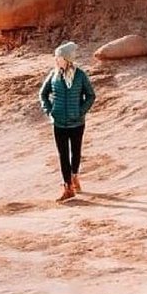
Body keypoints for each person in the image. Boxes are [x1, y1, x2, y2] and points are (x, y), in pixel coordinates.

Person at [38, 40, 96, 202]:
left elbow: (90, 96)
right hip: (59, 123)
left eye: (58, 57)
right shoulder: (53, 75)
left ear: (67, 59)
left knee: (75, 152)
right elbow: (43, 94)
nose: (56, 60)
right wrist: (50, 111)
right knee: (63, 155)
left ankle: (74, 176)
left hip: (77, 123)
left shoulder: (80, 75)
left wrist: (80, 112)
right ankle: (67, 187)